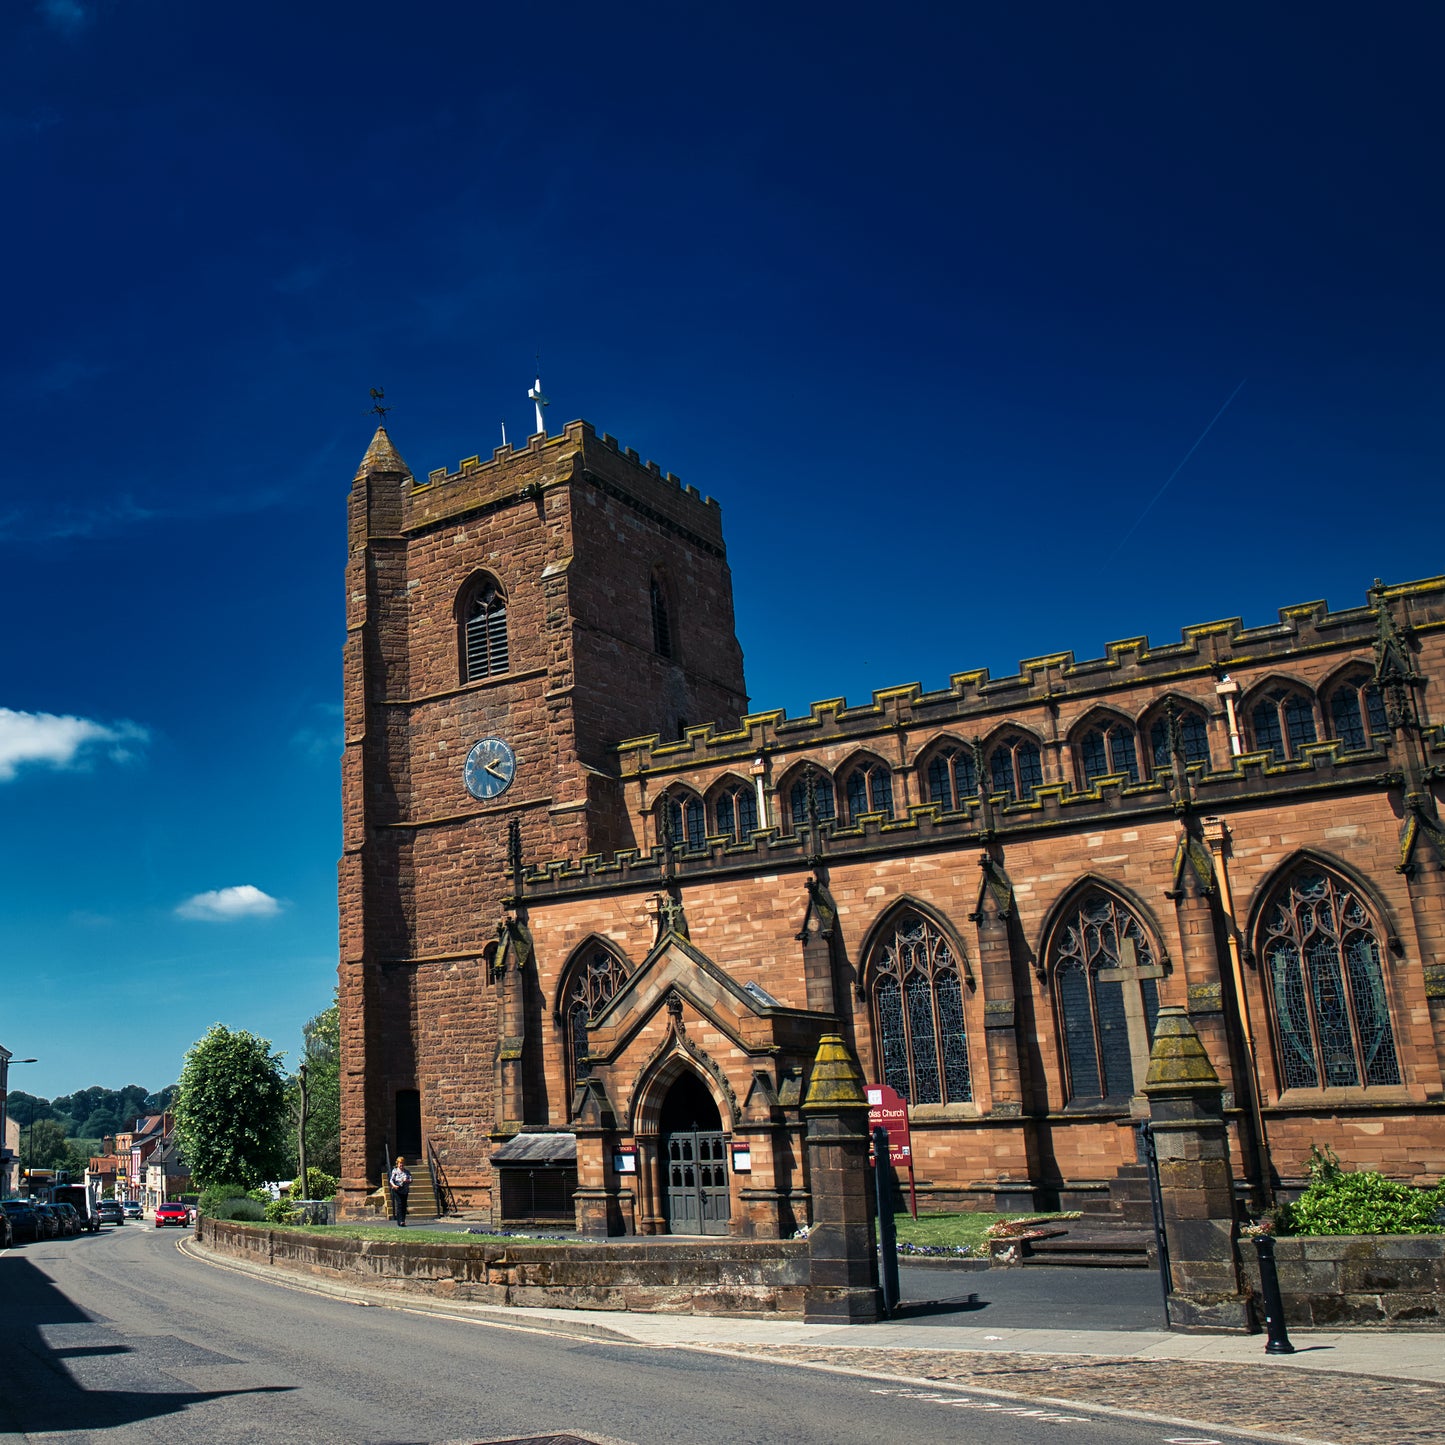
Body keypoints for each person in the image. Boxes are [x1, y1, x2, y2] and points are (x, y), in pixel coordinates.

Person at [389, 1157, 412, 1227]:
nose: (401, 1165)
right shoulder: (395, 1171)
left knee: (404, 1205)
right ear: (397, 1164)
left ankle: (403, 1220)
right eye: (400, 1163)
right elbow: (391, 1180)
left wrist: (406, 1180)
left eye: (402, 1163)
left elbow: (411, 1179)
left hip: (404, 1190)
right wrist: (394, 1186)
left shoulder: (407, 1172)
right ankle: (399, 1221)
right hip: (397, 1189)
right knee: (399, 1204)